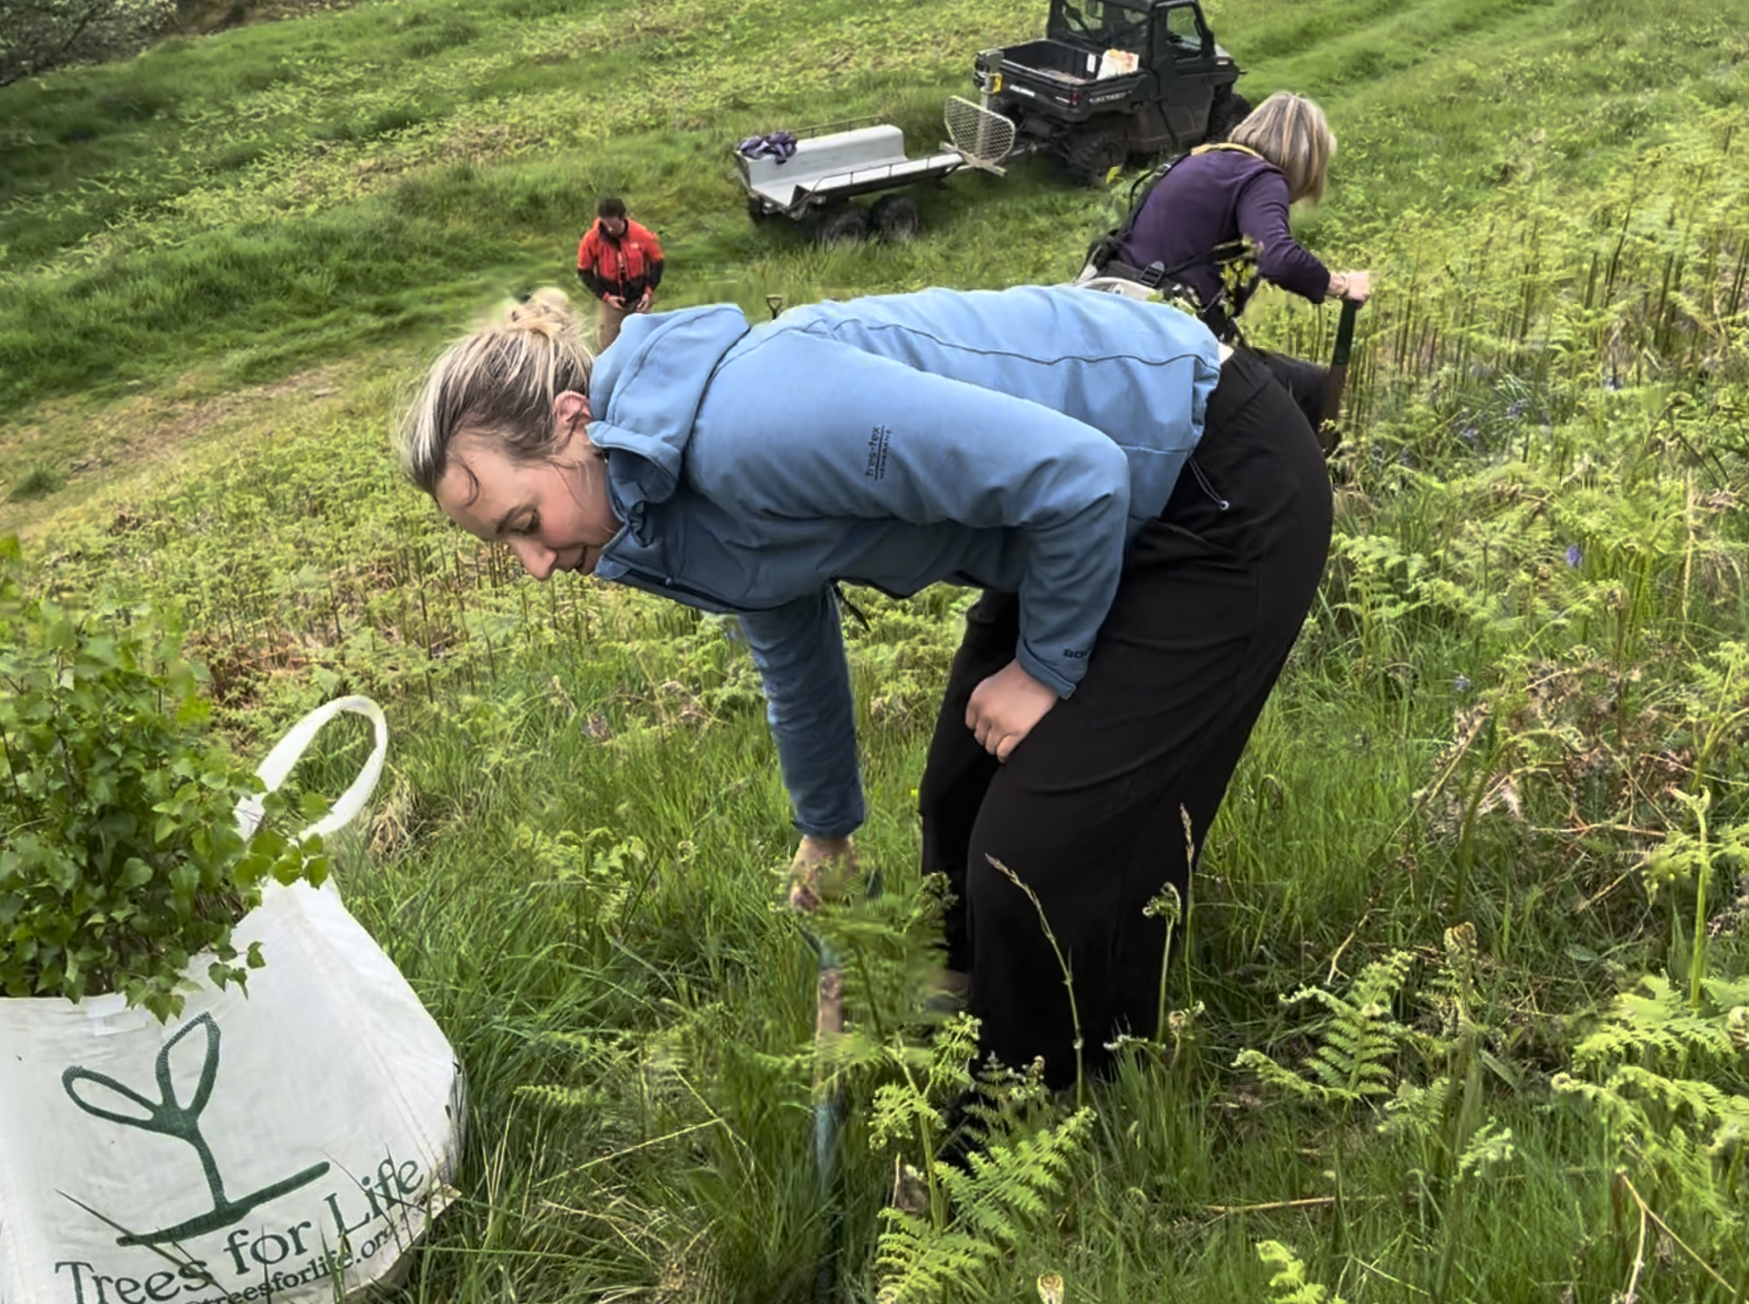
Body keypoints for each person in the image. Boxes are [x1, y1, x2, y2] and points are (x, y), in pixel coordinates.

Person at [396, 285, 1332, 1094]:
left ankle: (1033, 1118)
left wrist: (1045, 670)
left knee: (1036, 856)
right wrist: (827, 830)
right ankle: (961, 1039)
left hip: (1209, 482)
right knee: (957, 803)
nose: (533, 565)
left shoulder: (749, 425)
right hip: (1076, 520)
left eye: (524, 520)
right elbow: (787, 630)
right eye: (503, 543)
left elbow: (1079, 475)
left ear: (569, 420)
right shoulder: (646, 492)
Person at [1094, 92, 1372, 426]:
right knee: (1313, 388)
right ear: (1306, 158)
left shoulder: (1196, 160)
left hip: (1117, 310)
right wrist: (1342, 285)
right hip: (1168, 337)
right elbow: (1279, 258)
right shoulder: (1261, 177)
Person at [576, 196, 664, 350]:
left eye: (613, 226)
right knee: (608, 344)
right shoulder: (591, 239)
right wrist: (606, 297)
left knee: (645, 340)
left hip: (639, 298)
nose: (609, 230)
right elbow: (584, 272)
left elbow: (657, 263)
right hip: (611, 300)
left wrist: (648, 292)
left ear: (623, 218)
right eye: (605, 225)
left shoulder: (641, 234)